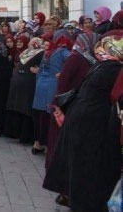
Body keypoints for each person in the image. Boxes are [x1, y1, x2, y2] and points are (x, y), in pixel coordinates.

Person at [43, 35, 123, 212]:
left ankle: (75, 198)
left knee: (81, 163)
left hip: (86, 120)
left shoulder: (105, 65)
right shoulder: (110, 66)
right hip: (90, 121)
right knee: (86, 164)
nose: (100, 48)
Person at [45, 32, 99, 171]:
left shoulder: (82, 58)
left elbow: (64, 81)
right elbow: (65, 82)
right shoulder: (86, 59)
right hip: (72, 104)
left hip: (71, 104)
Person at [31, 31, 71, 155]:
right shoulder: (62, 52)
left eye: (47, 41)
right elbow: (72, 62)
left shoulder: (48, 53)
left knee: (39, 116)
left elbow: (40, 71)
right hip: (51, 86)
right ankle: (49, 145)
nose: (45, 43)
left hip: (41, 86)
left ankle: (38, 143)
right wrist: (64, 73)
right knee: (49, 117)